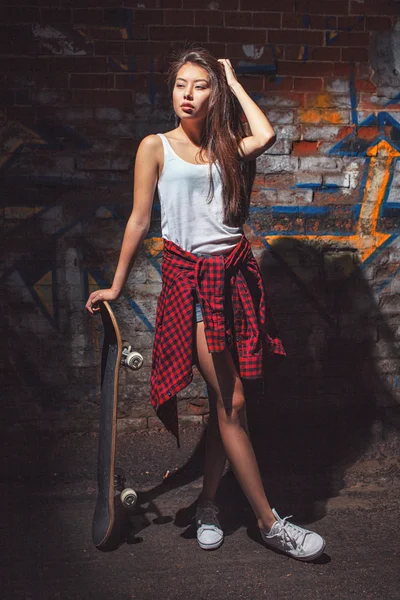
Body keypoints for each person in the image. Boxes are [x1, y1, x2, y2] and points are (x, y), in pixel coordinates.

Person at [86, 47, 326, 561]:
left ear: (213, 93)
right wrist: (116, 285)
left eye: (200, 86)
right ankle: (270, 523)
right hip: (191, 283)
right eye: (181, 85)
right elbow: (138, 220)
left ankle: (209, 506)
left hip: (235, 278)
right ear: (170, 91)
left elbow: (266, 135)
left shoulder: (224, 147)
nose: (188, 95)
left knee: (226, 404)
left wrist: (233, 80)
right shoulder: (155, 146)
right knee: (234, 401)